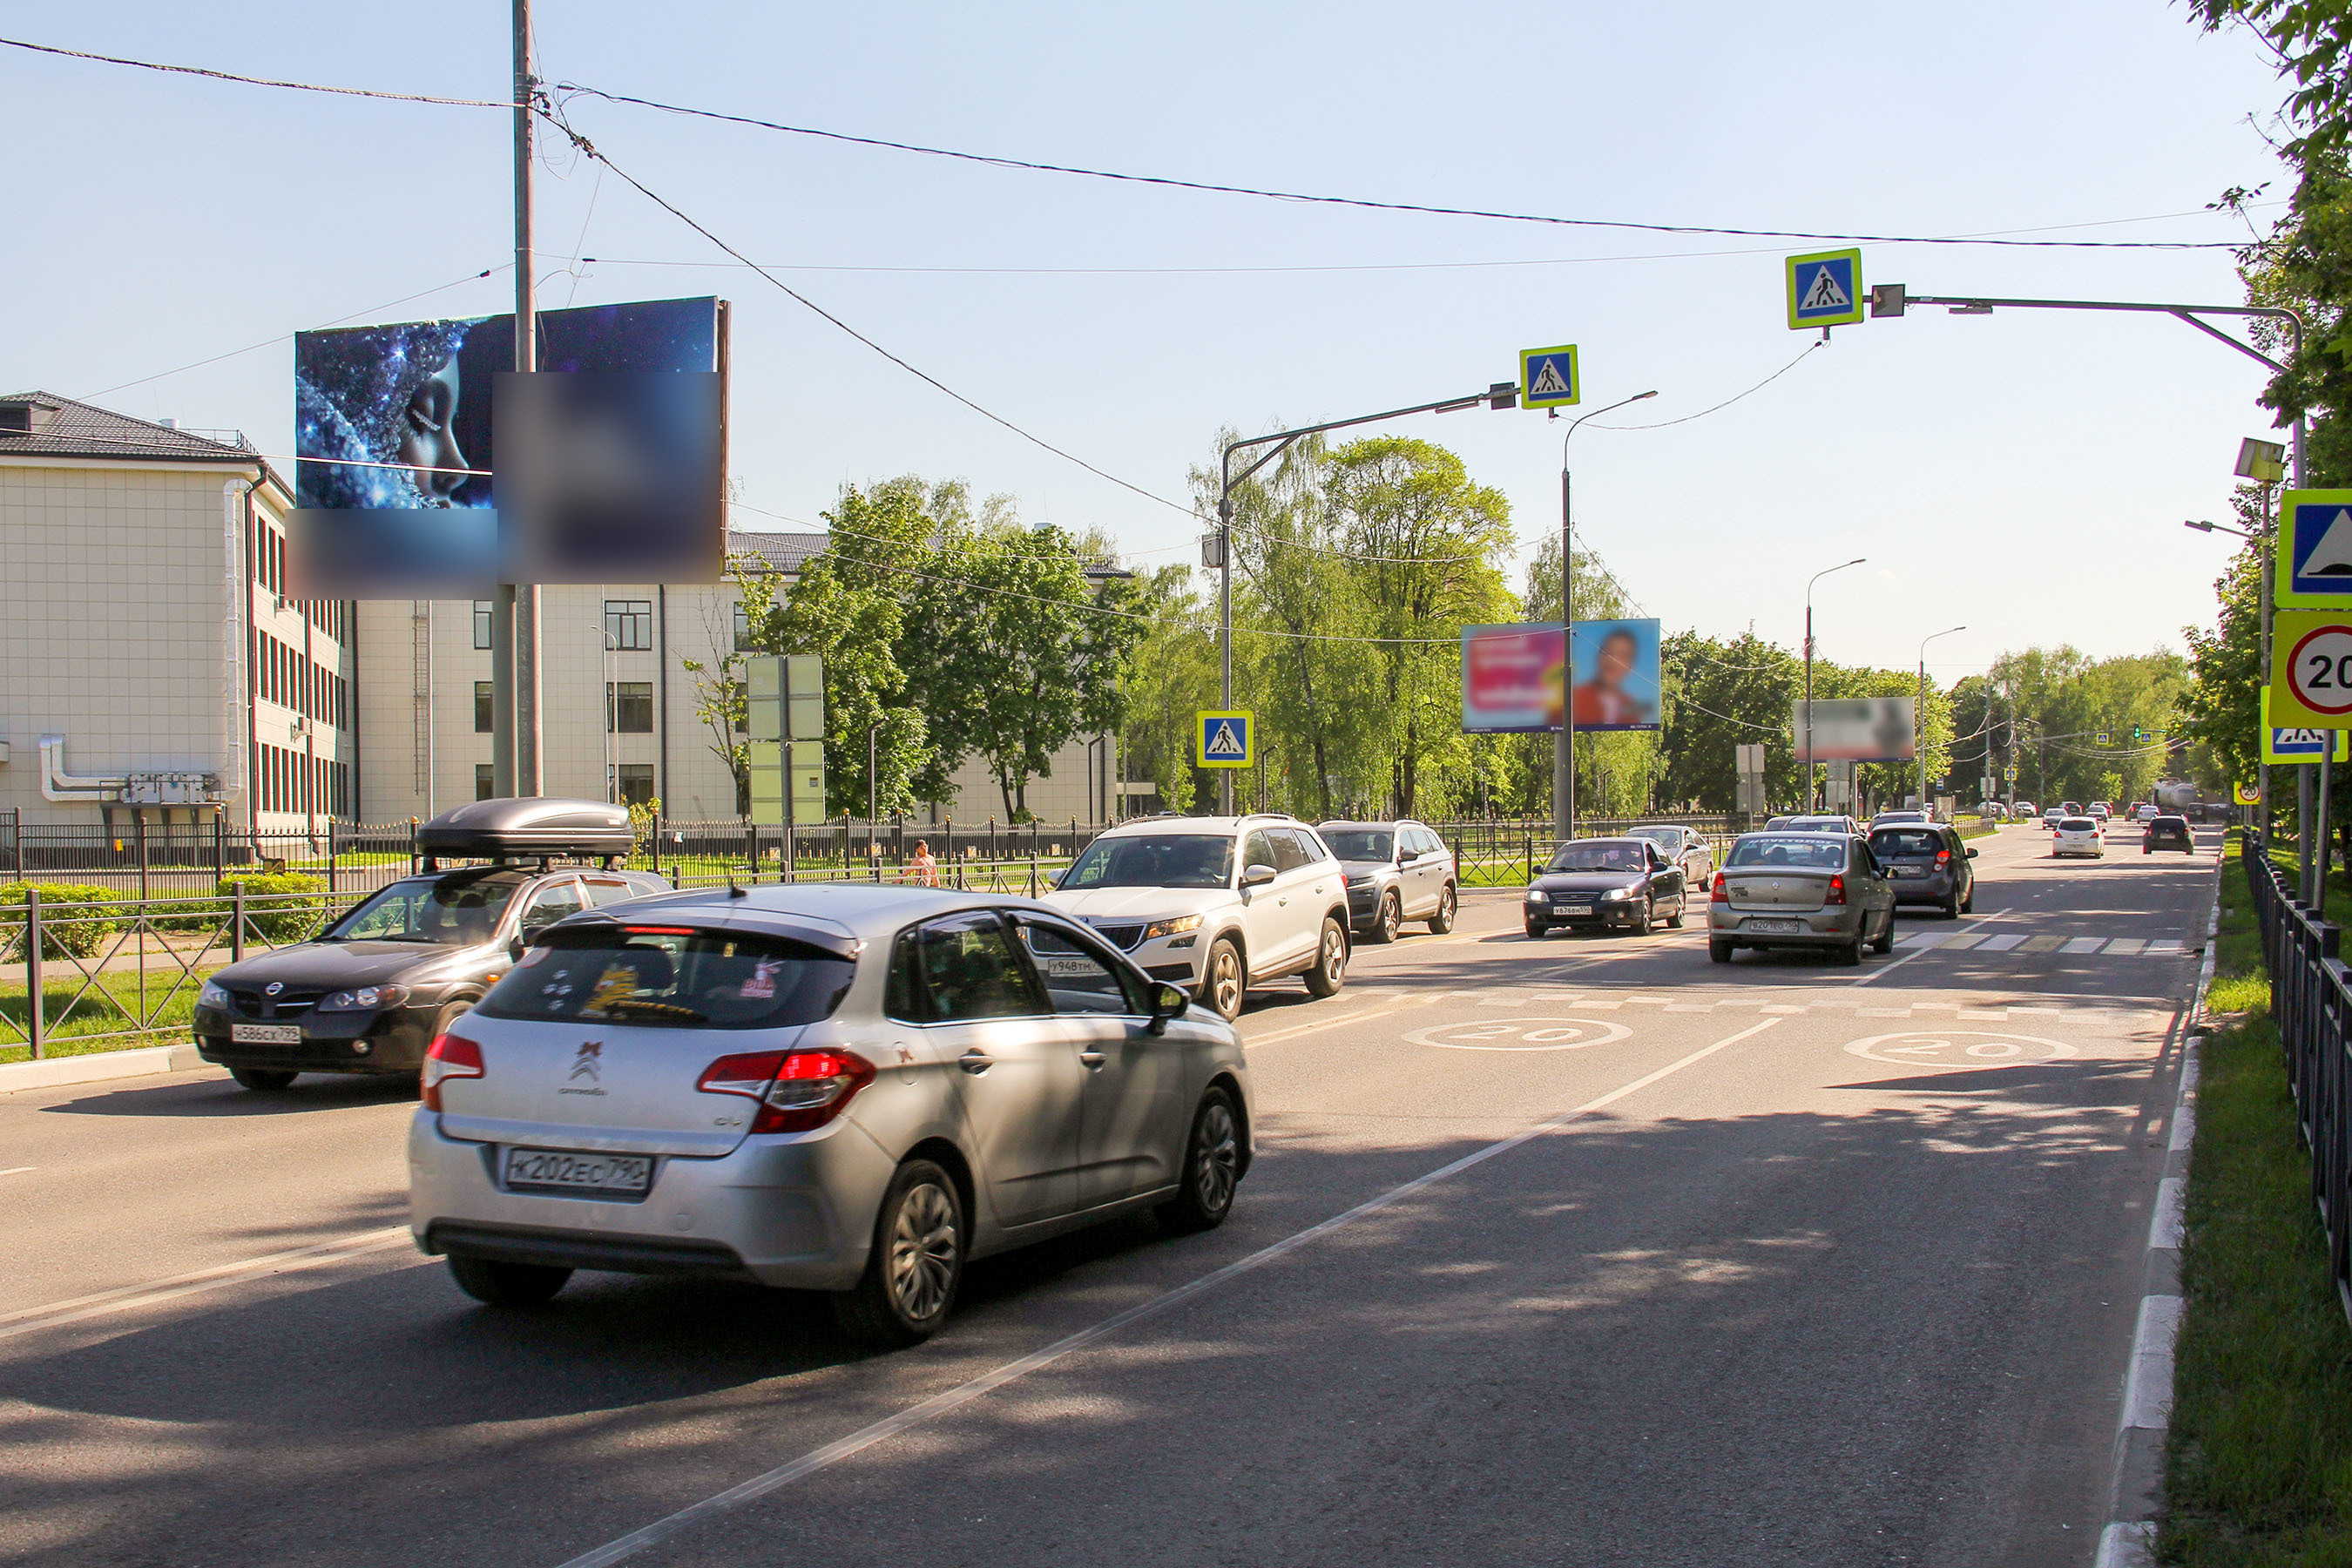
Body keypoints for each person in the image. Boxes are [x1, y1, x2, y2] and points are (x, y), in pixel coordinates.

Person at [1571, 627, 1652, 727]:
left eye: (1623, 655)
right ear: (1598, 658)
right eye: (1607, 652)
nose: (1613, 661)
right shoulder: (1573, 699)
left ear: (1630, 667)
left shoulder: (1632, 709)